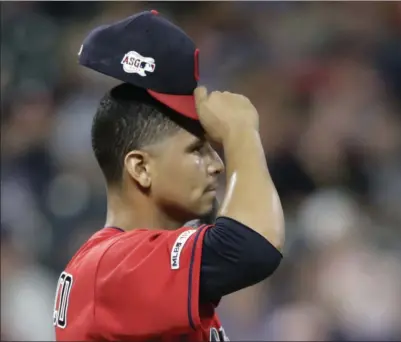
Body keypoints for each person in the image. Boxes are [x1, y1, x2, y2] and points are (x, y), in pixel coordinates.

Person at [53, 10, 285, 341]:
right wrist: (240, 133)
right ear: (141, 168)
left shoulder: (131, 266)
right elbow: (250, 249)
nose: (217, 164)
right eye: (196, 150)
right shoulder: (113, 266)